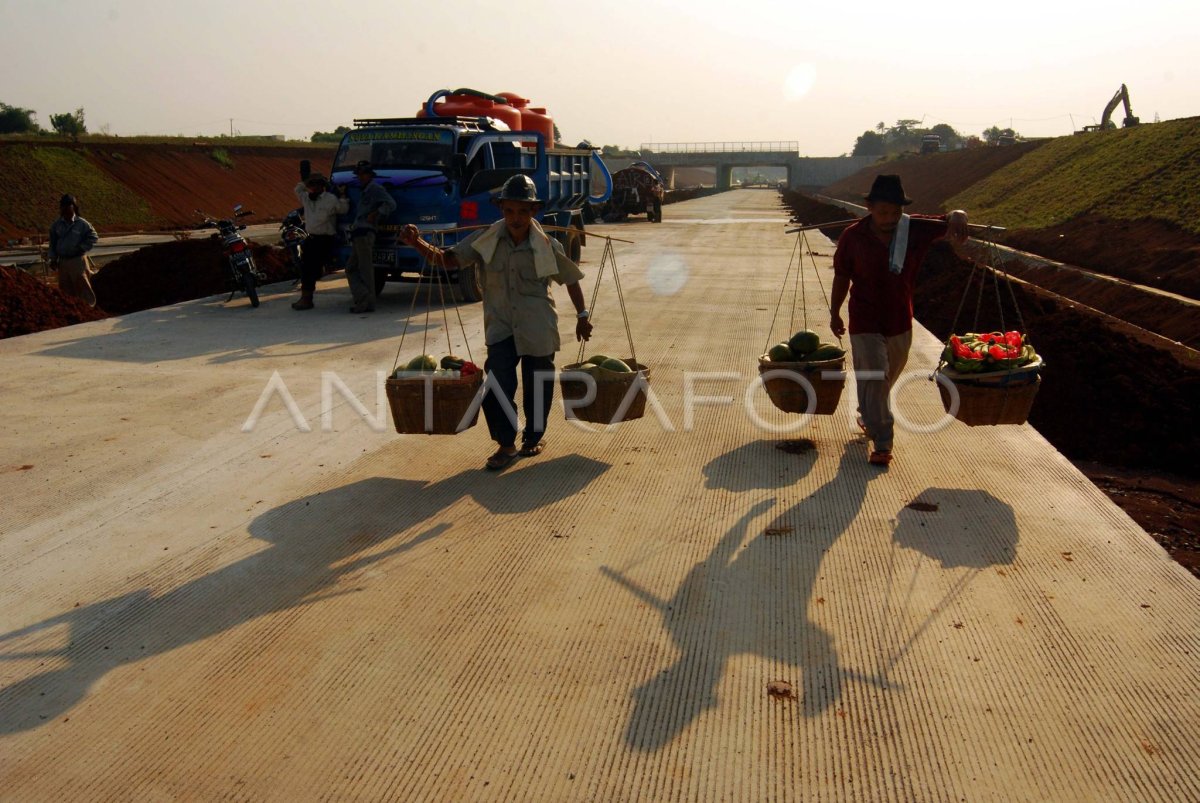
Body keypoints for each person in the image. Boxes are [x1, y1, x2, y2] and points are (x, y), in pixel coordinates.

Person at [399, 174, 594, 471]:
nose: (515, 218)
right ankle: (506, 443)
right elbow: (446, 260)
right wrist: (417, 243)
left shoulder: (547, 244)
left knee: (537, 385)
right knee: (496, 384)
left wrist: (582, 316)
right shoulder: (484, 240)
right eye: (510, 211)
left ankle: (533, 437)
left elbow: (570, 280)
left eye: (523, 211)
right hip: (500, 326)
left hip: (537, 326)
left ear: (534, 212)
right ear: (501, 209)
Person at [829, 174, 968, 466]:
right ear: (869, 207)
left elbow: (950, 218)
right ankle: (883, 441)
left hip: (899, 319)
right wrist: (834, 312)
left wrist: (959, 217)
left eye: (896, 212)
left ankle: (869, 413)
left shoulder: (913, 229)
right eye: (883, 212)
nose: (890, 218)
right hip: (864, 317)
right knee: (876, 377)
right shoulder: (853, 237)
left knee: (885, 377)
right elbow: (842, 276)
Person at [290, 173, 349, 310]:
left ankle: (306, 299)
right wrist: (306, 181)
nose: (313, 188)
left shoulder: (330, 199)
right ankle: (306, 298)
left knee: (309, 269)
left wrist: (343, 196)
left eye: (316, 185)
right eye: (311, 185)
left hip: (324, 239)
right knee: (306, 268)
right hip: (311, 238)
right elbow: (297, 189)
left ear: (322, 187)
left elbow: (343, 209)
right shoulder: (307, 198)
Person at [345, 160, 397, 313]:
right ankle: (366, 300)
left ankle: (365, 301)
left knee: (363, 269)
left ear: (369, 175)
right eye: (359, 174)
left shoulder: (375, 189)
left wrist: (377, 213)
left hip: (365, 233)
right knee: (353, 268)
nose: (360, 177)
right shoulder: (366, 189)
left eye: (363, 174)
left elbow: (391, 204)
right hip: (359, 232)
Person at [48, 194, 99, 307]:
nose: (65, 209)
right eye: (63, 206)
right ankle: (70, 309)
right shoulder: (56, 225)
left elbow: (93, 237)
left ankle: (88, 308)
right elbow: (52, 243)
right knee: (65, 288)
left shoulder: (82, 224)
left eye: (68, 206)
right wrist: (53, 259)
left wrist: (81, 248)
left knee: (82, 284)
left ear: (74, 207)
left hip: (78, 260)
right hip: (63, 261)